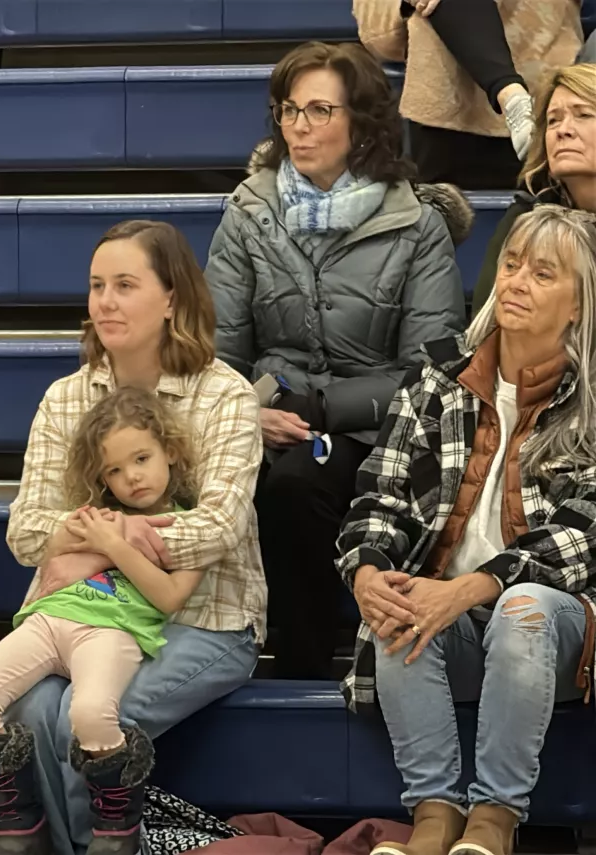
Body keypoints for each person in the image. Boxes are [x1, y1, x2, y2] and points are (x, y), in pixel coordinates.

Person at [205, 41, 469, 680]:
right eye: (288, 110)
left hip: (378, 427)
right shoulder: (250, 212)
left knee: (297, 484)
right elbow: (214, 354)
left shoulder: (416, 223)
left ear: (362, 122)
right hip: (267, 417)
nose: (298, 126)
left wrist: (324, 408)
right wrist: (250, 412)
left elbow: (431, 369)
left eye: (319, 110)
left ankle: (305, 665)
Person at [3, 219, 268, 855]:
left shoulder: (224, 394)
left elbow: (219, 530)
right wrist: (113, 544)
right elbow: (26, 530)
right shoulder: (66, 399)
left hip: (207, 618)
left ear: (172, 297)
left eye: (125, 285)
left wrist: (98, 539)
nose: (105, 302)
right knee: (30, 710)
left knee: (88, 718)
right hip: (87, 616)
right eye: (97, 286)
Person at [339, 204, 596, 855]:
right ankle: (433, 816)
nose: (515, 281)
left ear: (578, 303)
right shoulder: (437, 377)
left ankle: (494, 821)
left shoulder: (591, 397)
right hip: (453, 626)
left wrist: (471, 587)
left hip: (556, 633)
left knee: (525, 605)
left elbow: (584, 531)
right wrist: (368, 570)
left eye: (542, 273)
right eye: (511, 263)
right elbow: (378, 494)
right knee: (401, 599)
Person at [0, 387, 204, 855]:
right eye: (115, 469)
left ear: (169, 450)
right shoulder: (95, 516)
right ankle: (18, 819)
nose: (132, 477)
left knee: (88, 714)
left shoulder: (189, 525)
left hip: (111, 630)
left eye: (142, 458)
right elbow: (47, 560)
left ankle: (115, 827)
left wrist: (111, 548)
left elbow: (168, 596)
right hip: (48, 618)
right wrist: (92, 542)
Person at [354, 0, 582, 189]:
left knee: (552, 230)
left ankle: (511, 95)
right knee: (442, 229)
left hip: (543, 89)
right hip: (446, 106)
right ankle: (511, 96)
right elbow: (376, 27)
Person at [472, 64, 596, 316]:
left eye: (583, 115)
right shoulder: (526, 216)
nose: (563, 130)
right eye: (553, 120)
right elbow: (487, 325)